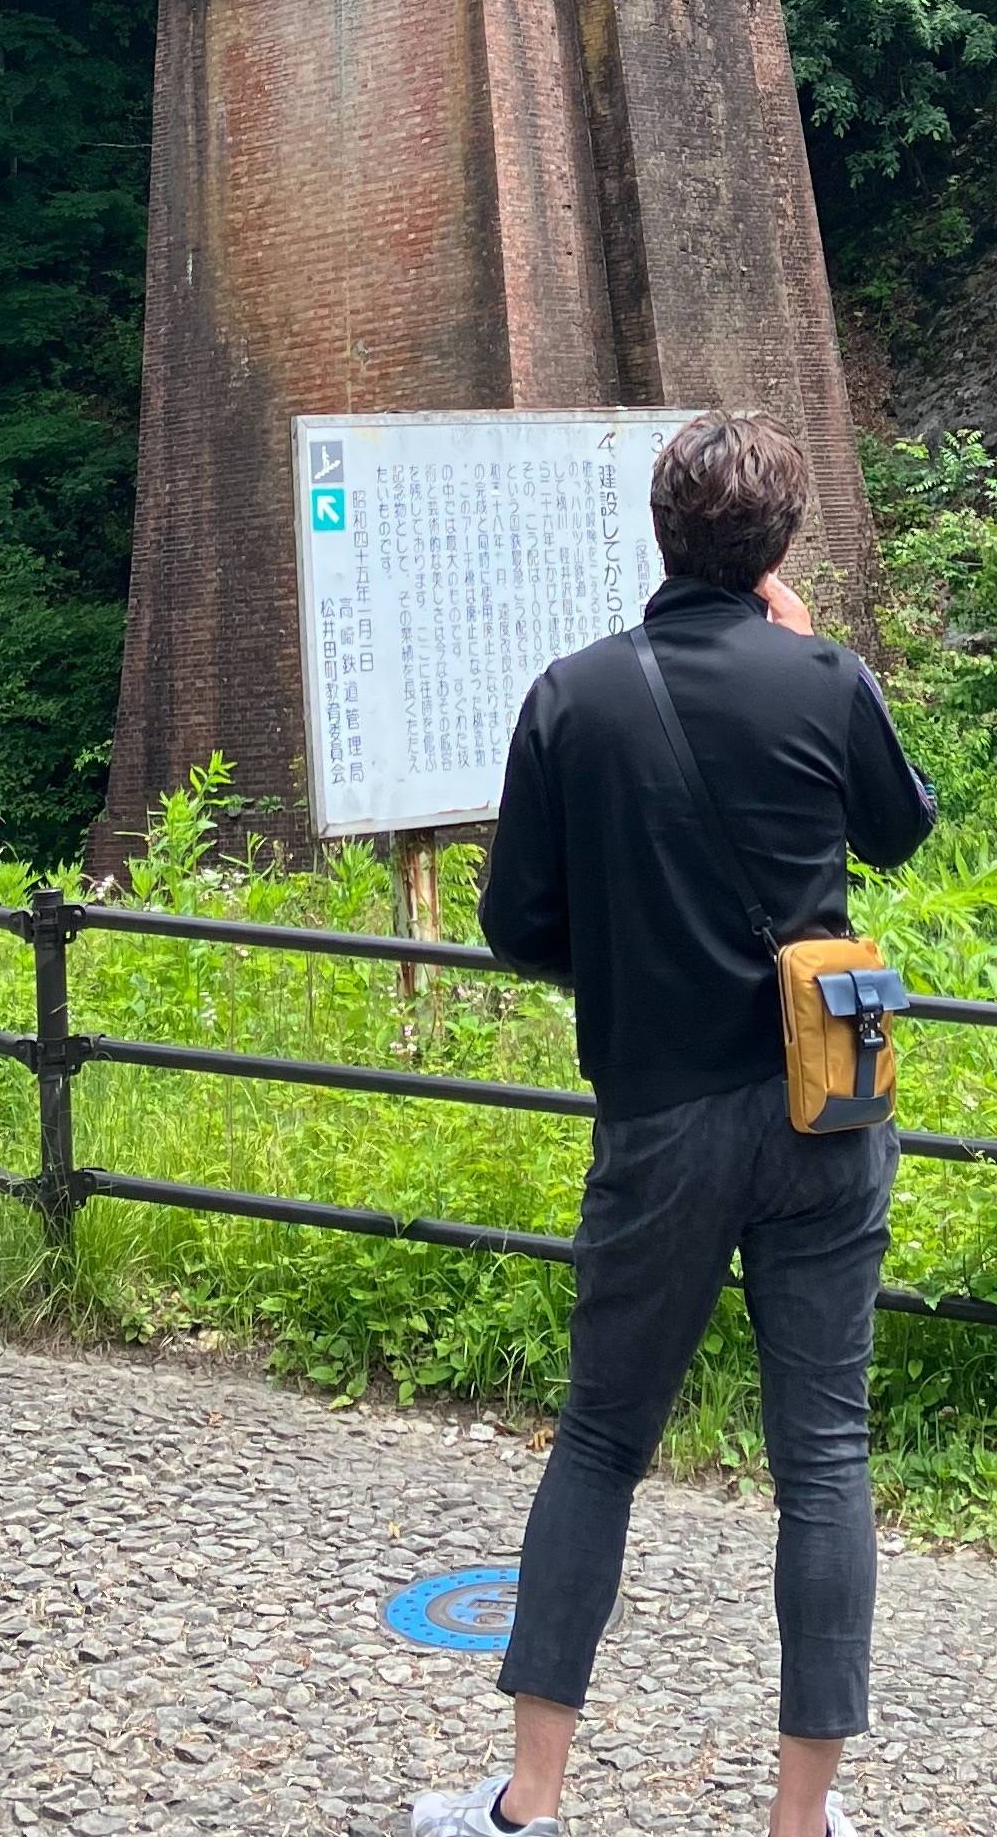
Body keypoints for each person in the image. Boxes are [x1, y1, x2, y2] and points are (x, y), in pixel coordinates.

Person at [412, 411, 936, 1837]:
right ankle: (802, 1820)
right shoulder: (825, 681)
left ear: (660, 531)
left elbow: (517, 920)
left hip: (659, 1115)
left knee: (598, 1441)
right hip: (827, 1107)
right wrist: (820, 649)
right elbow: (901, 831)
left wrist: (635, 966)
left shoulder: (572, 698)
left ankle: (530, 1802)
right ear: (777, 548)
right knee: (823, 1453)